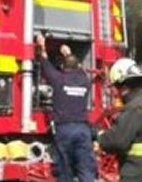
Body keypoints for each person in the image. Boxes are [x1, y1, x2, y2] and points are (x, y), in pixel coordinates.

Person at [97, 58, 142, 182]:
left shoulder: (135, 108)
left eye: (117, 88)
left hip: (139, 176)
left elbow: (117, 141)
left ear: (125, 88)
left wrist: (100, 137)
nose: (117, 93)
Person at [35, 33, 96, 182]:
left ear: (62, 67)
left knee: (64, 169)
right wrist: (68, 53)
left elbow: (44, 63)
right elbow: (79, 68)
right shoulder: (85, 81)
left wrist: (41, 46)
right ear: (78, 66)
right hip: (83, 129)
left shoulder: (58, 79)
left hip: (64, 129)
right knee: (86, 168)